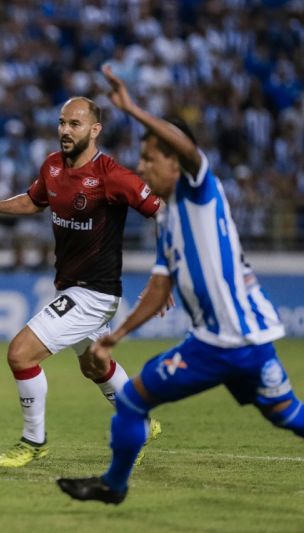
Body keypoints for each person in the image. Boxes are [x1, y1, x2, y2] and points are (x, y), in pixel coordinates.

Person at [57, 66, 302, 505]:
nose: (143, 166)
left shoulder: (200, 188)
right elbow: (158, 286)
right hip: (224, 343)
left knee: (285, 418)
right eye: (143, 158)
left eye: (152, 158)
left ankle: (113, 485)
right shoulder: (168, 219)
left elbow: (188, 147)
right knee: (136, 402)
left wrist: (131, 109)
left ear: (175, 159)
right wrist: (115, 336)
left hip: (236, 341)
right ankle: (113, 485)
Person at [0, 96, 164, 468]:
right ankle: (141, 421)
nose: (65, 131)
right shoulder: (53, 166)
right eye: (62, 123)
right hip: (69, 286)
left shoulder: (112, 175)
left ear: (95, 129)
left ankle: (34, 441)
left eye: (75, 124)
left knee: (21, 352)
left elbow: (161, 213)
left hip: (95, 293)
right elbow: (36, 201)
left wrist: (166, 272)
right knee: (95, 366)